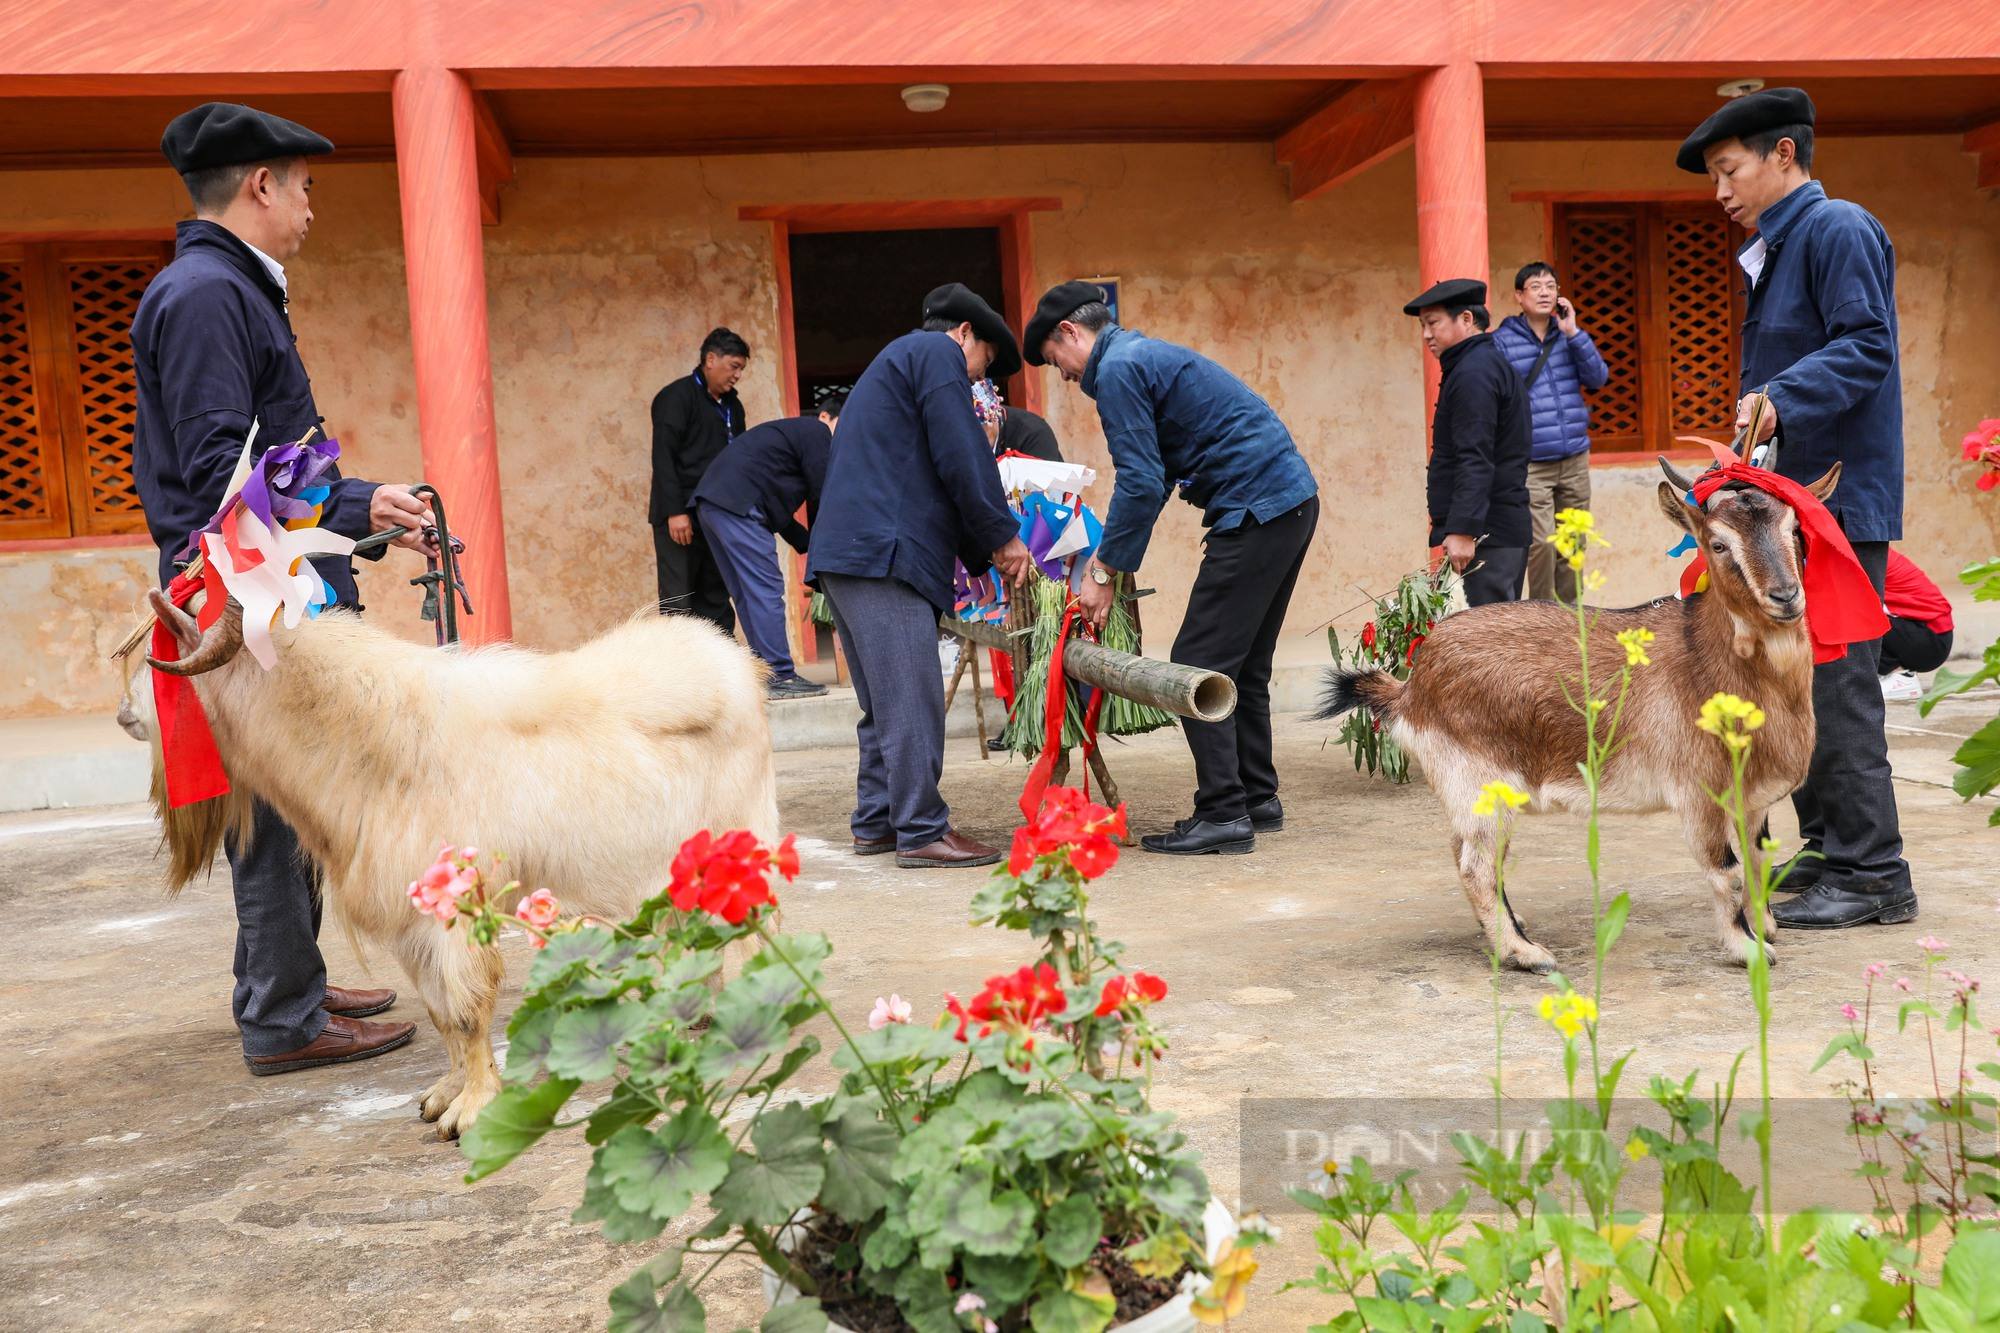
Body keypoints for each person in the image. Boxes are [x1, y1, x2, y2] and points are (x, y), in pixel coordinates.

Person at [131, 103, 429, 1074]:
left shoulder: (225, 287)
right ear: (260, 184)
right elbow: (227, 476)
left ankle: (283, 977)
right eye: (302, 186)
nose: (308, 206)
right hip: (247, 595)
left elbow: (262, 461)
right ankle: (283, 1014)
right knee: (269, 807)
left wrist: (353, 512)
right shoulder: (210, 294)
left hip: (262, 584)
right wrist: (352, 498)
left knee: (286, 796)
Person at [1679, 87, 1915, 928]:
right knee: (1793, 681)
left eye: (1729, 170)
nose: (1721, 192)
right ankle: (1825, 854)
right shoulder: (1781, 247)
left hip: (1833, 509)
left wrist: (1781, 392)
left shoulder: (1837, 226)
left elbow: (1867, 345)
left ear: (1785, 154)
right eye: (1714, 176)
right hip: (1787, 511)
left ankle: (1874, 870)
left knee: (1838, 685)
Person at [1027, 281, 1320, 856]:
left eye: (1053, 360)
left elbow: (1139, 480)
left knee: (1197, 665)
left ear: (1069, 333)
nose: (1060, 373)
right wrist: (1114, 558)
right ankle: (1256, 797)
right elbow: (1157, 477)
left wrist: (1103, 572)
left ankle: (1223, 812)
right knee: (1244, 665)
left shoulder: (1117, 370)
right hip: (1289, 503)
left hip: (1257, 509)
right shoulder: (1140, 356)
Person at [808, 285, 1034, 868]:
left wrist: (983, 557)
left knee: (886, 702)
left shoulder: (895, 365)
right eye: (984, 362)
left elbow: (933, 470)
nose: (980, 380)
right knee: (912, 695)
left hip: (853, 553)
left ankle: (878, 821)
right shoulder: (934, 355)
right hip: (881, 554)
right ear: (964, 334)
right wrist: (1003, 538)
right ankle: (922, 828)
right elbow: (962, 455)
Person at [690, 393, 844, 699]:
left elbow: (781, 513)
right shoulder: (816, 431)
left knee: (748, 594)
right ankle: (780, 675)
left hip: (713, 504)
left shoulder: (789, 437)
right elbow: (826, 492)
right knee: (765, 590)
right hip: (737, 505)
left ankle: (765, 673)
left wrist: (810, 545)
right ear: (826, 416)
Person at [1404, 278, 1532, 607]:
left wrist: (1463, 530)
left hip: (1489, 533)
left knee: (1492, 647)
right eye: (1423, 325)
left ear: (1465, 319)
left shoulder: (1474, 372)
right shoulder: (1477, 365)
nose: (1426, 334)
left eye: (1433, 323)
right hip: (1494, 529)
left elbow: (1475, 457)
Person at [1490, 263, 1608, 602]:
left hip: (1573, 458)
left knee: (1573, 541)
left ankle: (1571, 618)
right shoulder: (1502, 341)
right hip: (1532, 462)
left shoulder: (1568, 336)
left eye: (1551, 286)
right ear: (1519, 296)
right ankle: (1543, 617)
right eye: (1535, 286)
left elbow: (1598, 378)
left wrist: (1574, 333)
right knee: (1540, 543)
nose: (1545, 292)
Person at [649, 328, 749, 630]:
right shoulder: (676, 398)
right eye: (734, 366)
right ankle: (683, 671)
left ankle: (722, 670)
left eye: (742, 369)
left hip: (717, 516)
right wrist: (675, 511)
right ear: (710, 359)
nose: (738, 375)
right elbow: (663, 457)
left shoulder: (733, 405)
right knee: (679, 599)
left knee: (716, 596)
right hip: (680, 517)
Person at [1878, 549, 1954, 700]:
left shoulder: (1864, 554)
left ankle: (1900, 676)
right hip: (1922, 634)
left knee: (1846, 611)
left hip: (1929, 637)